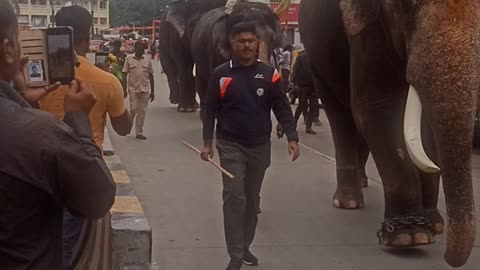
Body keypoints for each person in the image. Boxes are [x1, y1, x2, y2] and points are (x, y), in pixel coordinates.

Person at [0, 1, 116, 269]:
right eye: (17, 41)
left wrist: (19, 99)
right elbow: (98, 197)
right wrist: (78, 120)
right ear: (7, 50)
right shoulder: (40, 133)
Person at [38, 5, 132, 268]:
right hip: (80, 176)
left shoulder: (34, 77)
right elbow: (124, 128)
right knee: (69, 249)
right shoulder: (105, 80)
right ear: (88, 37)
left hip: (37, 171)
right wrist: (123, 100)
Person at [201, 22, 300, 270]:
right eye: (241, 41)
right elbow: (209, 110)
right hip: (230, 144)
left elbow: (281, 107)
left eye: (251, 41)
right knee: (235, 197)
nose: (247, 45)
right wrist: (207, 143)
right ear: (232, 44)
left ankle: (245, 246)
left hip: (259, 146)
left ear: (258, 44)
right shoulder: (221, 75)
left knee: (252, 200)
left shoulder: (270, 75)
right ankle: (235, 255)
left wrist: (292, 136)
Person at [123, 41, 155, 140]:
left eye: (141, 49)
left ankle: (139, 132)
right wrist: (124, 88)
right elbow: (124, 74)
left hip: (145, 89)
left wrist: (153, 91)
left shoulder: (147, 60)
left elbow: (151, 76)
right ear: (135, 49)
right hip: (133, 89)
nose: (140, 51)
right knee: (133, 109)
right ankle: (127, 127)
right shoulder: (128, 59)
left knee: (142, 111)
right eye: (138, 49)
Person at [291, 50, 321, 134]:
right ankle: (293, 124)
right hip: (303, 85)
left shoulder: (315, 58)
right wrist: (296, 84)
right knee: (301, 105)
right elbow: (295, 70)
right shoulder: (301, 57)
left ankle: (308, 127)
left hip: (313, 86)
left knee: (313, 106)